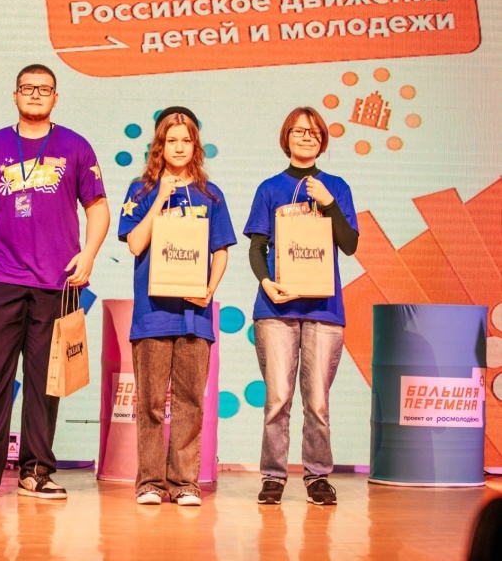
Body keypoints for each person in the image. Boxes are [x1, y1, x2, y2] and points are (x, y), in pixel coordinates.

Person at [0, 63, 109, 500]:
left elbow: (97, 206)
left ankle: (36, 471)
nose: (35, 94)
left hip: (56, 281)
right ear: (14, 95)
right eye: (27, 88)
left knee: (45, 380)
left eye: (44, 89)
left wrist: (89, 254)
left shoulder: (75, 146)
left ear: (56, 97)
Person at [118, 106, 235, 506]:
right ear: (160, 145)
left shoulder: (210, 194)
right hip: (152, 315)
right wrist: (161, 198)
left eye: (187, 140)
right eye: (172, 140)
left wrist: (209, 289)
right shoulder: (140, 190)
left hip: (195, 315)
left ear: (195, 146)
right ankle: (150, 482)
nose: (180, 147)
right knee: (150, 403)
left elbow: (221, 250)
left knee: (189, 402)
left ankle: (185, 482)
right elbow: (135, 243)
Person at [243, 106, 358, 505]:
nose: (307, 137)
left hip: (324, 309)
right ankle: (273, 476)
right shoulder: (269, 188)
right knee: (277, 399)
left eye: (314, 132)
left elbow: (349, 244)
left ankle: (317, 476)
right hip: (276, 309)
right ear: (287, 137)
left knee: (318, 402)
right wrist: (266, 282)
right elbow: (257, 247)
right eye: (299, 131)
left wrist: (329, 203)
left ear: (322, 140)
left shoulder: (336, 186)